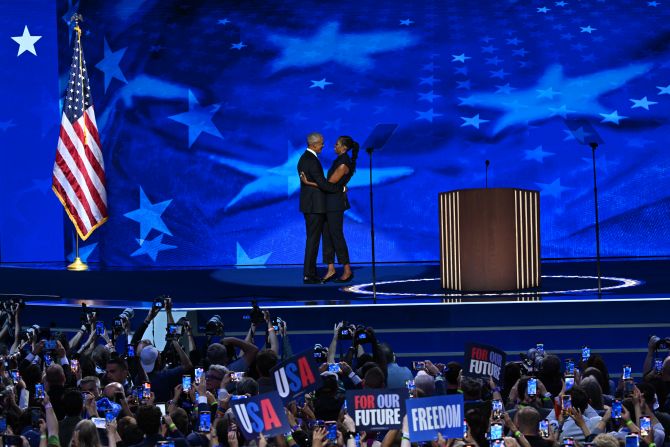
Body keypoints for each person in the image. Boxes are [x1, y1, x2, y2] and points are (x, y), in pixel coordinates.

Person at [301, 136, 358, 283]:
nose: (333, 146)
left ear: (344, 148)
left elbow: (328, 184)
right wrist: (342, 187)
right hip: (328, 203)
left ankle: (347, 270)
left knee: (336, 236)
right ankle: (331, 268)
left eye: (337, 144)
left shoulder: (344, 163)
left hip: (335, 205)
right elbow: (330, 185)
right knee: (327, 236)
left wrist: (308, 182)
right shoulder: (339, 160)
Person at [297, 132, 341, 284]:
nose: (323, 145)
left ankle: (311, 272)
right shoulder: (311, 161)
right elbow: (322, 184)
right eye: (321, 143)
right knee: (313, 240)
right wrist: (339, 189)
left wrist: (309, 183)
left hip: (313, 206)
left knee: (314, 239)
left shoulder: (305, 158)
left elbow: (314, 183)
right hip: (315, 207)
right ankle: (309, 275)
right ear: (314, 145)